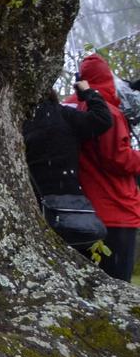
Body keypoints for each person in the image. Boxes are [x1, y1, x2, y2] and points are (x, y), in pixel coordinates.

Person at [68, 54, 140, 281]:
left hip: (85, 209)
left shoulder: (73, 108)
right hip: (115, 209)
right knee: (117, 285)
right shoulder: (108, 112)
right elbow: (118, 159)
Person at [23, 83, 112, 249]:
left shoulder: (22, 122)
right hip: (69, 199)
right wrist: (88, 92)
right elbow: (102, 119)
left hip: (35, 199)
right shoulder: (64, 115)